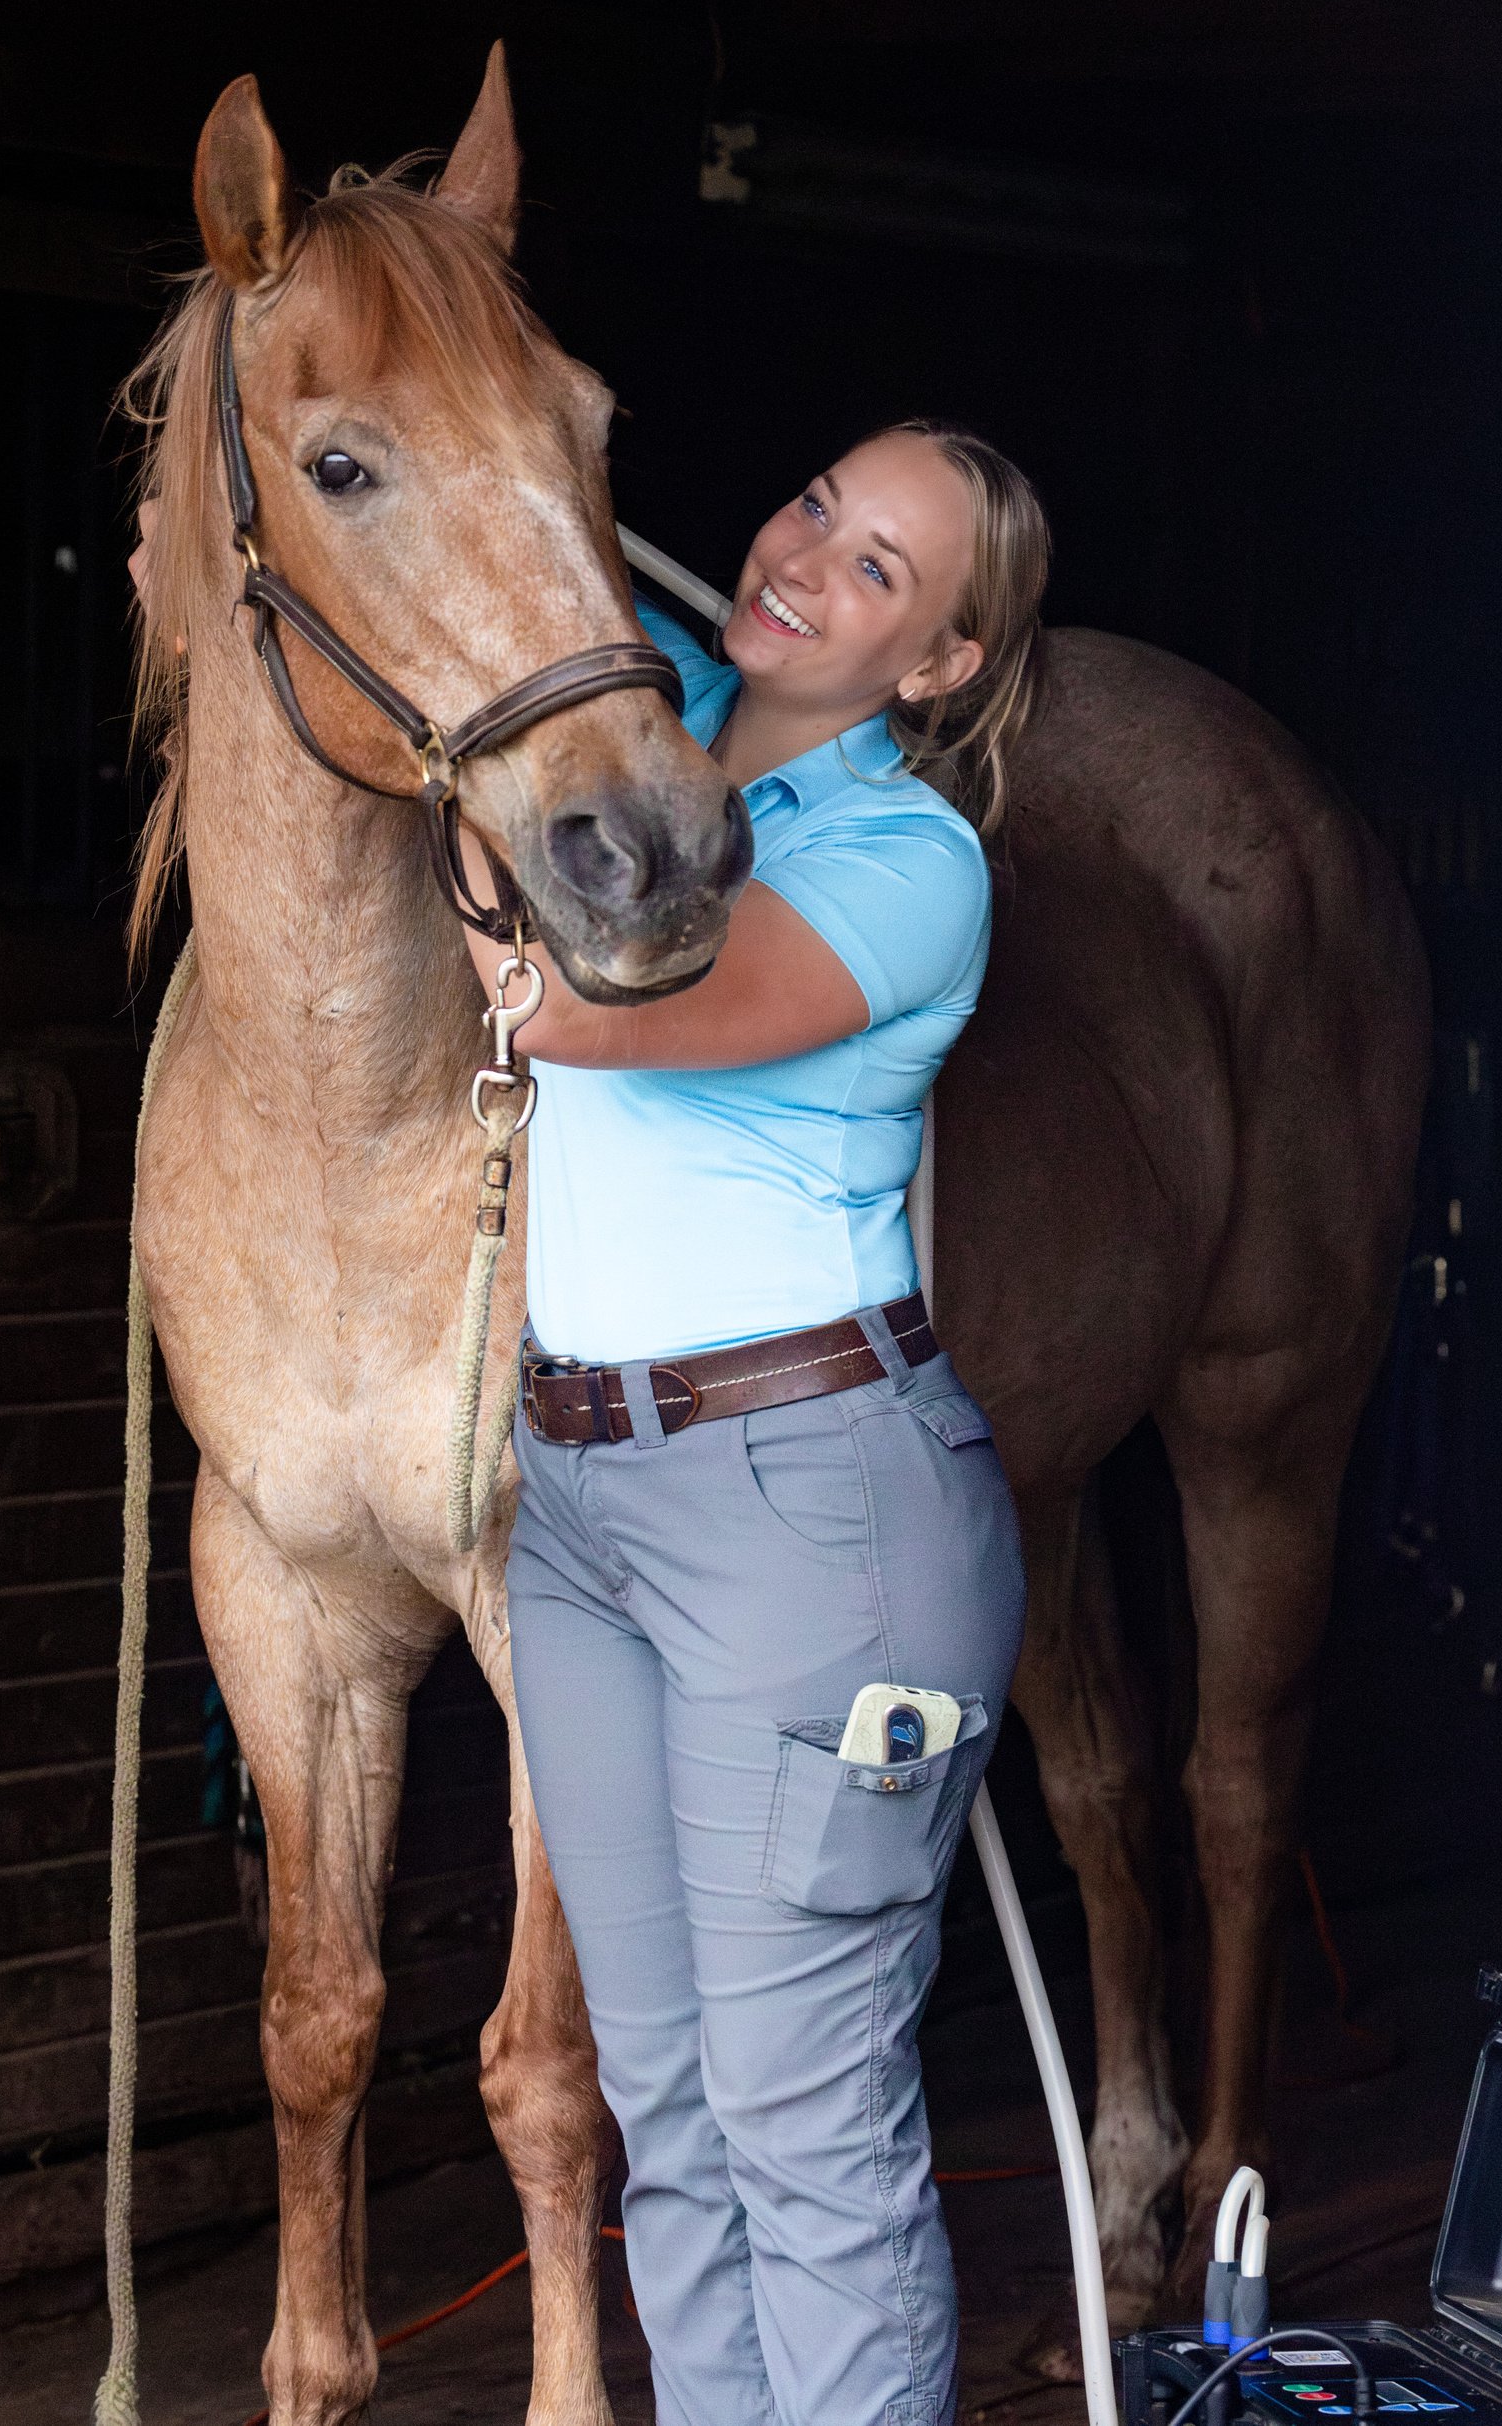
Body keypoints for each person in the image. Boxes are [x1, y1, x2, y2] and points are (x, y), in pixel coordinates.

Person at [459, 421, 1049, 2426]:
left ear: (937, 663)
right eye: (813, 503)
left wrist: (491, 891)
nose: (803, 557)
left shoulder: (910, 862)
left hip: (813, 1519)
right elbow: (463, 560)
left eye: (880, 567)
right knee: (671, 2115)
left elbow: (609, 1001)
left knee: (803, 2131)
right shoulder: (662, 707)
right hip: (579, 1501)